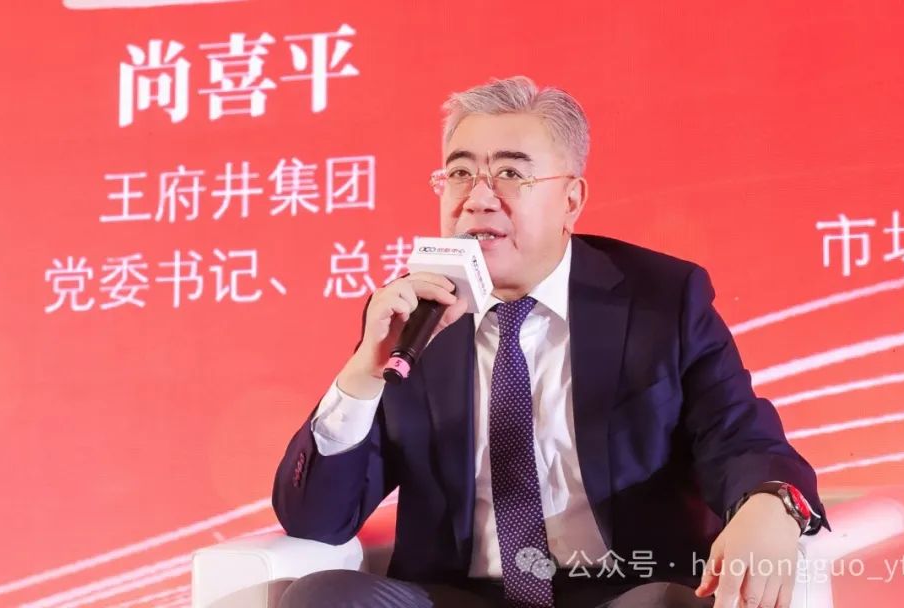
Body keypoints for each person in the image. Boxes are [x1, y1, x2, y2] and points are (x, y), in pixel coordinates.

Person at [272, 76, 828, 608]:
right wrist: (363, 373)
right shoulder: (413, 318)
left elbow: (740, 438)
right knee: (322, 598)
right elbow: (317, 520)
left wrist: (769, 503)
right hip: (459, 596)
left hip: (623, 589)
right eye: (460, 173)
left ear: (571, 200)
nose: (478, 198)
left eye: (511, 173)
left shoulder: (661, 300)